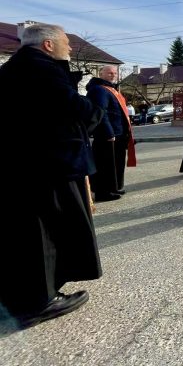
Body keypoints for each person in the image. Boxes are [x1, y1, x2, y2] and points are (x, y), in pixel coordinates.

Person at [0, 23, 104, 330]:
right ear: (47, 45)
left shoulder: (13, 68)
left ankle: (23, 295)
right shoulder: (42, 70)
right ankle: (40, 301)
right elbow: (79, 111)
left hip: (21, 163)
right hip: (48, 164)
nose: (69, 48)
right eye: (65, 42)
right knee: (44, 230)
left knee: (25, 230)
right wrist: (90, 101)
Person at [86, 65, 136, 201]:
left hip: (119, 133)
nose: (113, 75)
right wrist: (108, 132)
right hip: (109, 134)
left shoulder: (111, 89)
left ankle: (115, 187)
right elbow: (101, 112)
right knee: (105, 165)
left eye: (115, 73)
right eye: (109, 73)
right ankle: (103, 192)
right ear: (101, 74)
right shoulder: (99, 89)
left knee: (116, 163)